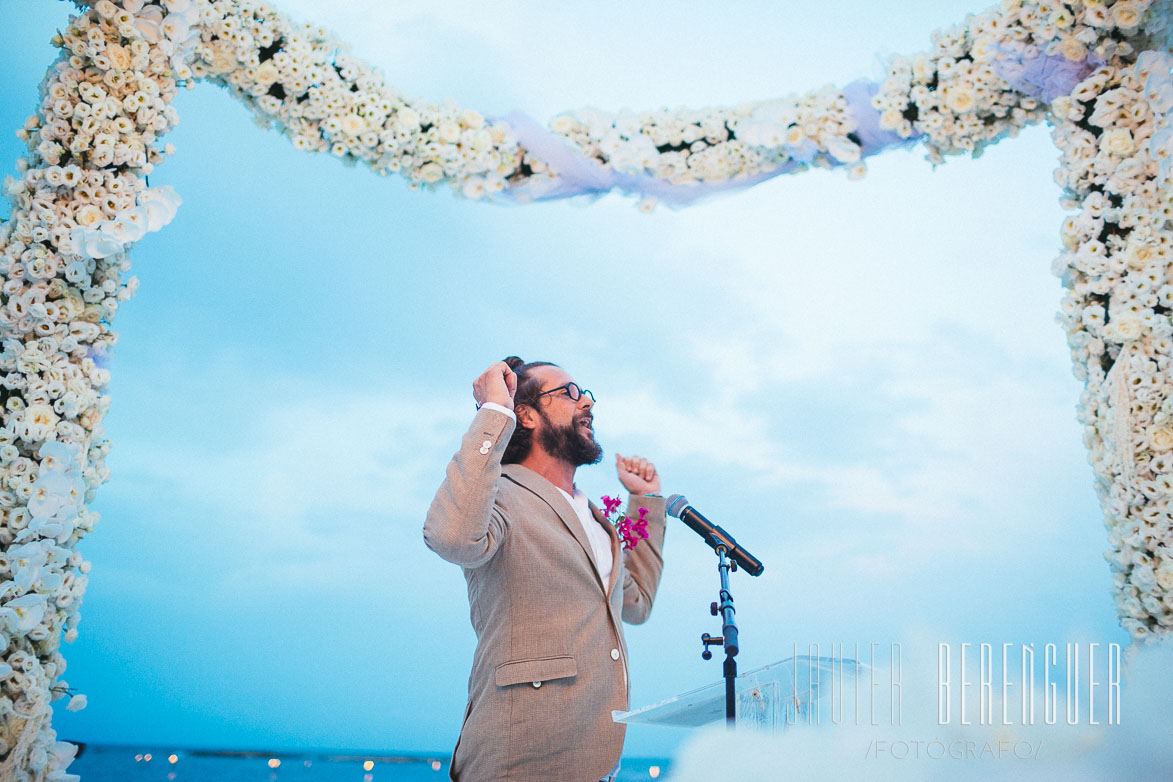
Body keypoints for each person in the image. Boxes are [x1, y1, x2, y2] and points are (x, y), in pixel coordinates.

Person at [424, 357, 667, 782]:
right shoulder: (498, 493)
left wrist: (645, 501)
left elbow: (637, 604)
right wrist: (493, 412)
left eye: (586, 392)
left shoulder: (596, 521)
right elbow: (452, 537)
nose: (586, 402)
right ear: (527, 413)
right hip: (520, 760)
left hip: (595, 762)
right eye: (569, 392)